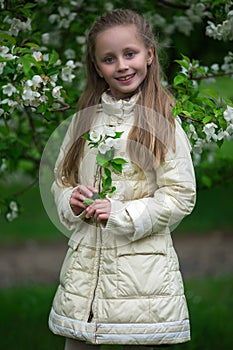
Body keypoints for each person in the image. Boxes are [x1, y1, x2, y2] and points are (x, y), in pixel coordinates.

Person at [48, 9, 196, 350]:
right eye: (109, 59)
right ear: (98, 67)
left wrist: (120, 213)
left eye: (130, 54)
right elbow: (62, 179)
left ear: (149, 54)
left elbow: (180, 195)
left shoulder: (162, 122)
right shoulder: (83, 121)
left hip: (143, 283)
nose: (122, 66)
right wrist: (68, 199)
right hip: (85, 280)